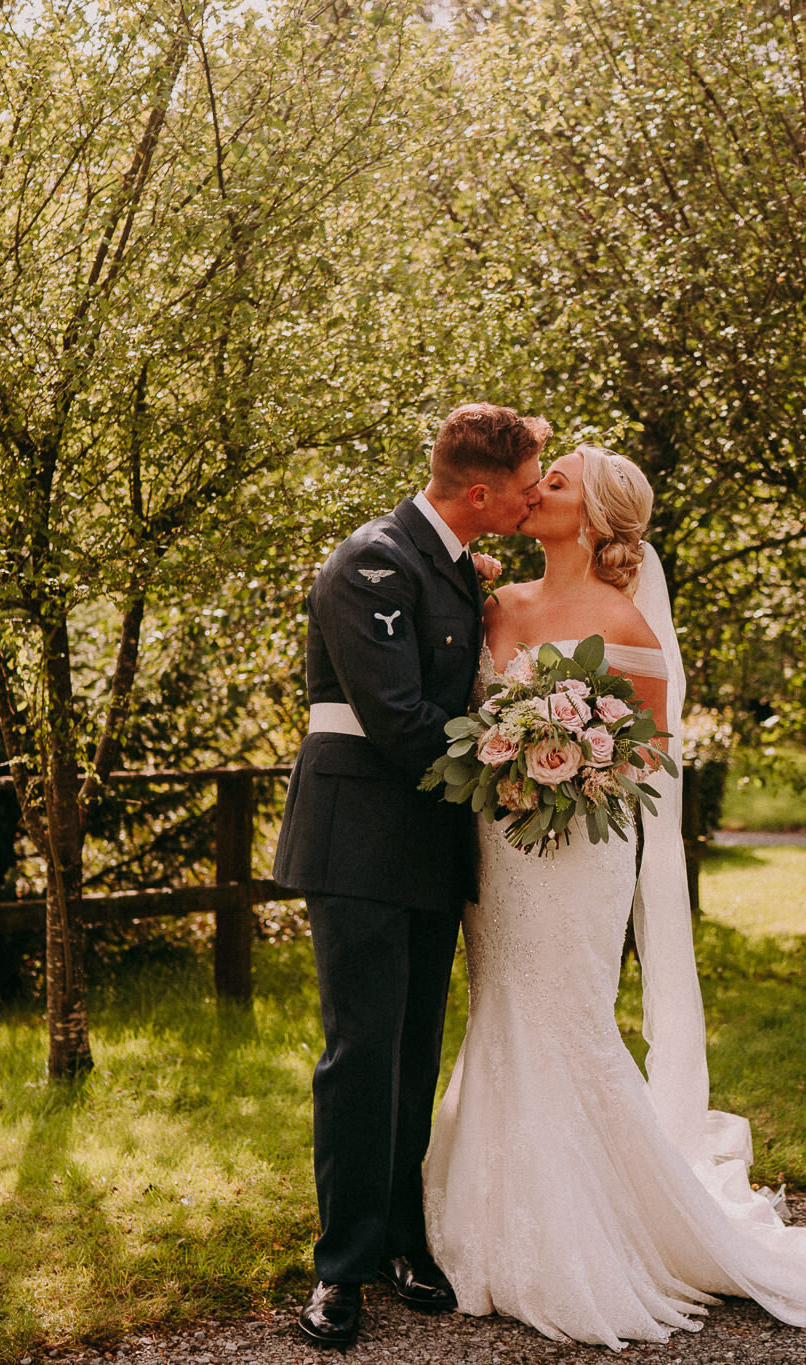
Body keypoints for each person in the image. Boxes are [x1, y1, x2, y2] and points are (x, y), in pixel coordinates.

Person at [422, 445, 806, 1346]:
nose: (535, 490)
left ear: (595, 519)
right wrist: (512, 755)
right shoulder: (497, 605)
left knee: (568, 1019)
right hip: (499, 854)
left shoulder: (621, 619)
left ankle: (593, 1236)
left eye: (554, 482)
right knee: (501, 1012)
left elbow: (643, 755)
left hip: (575, 852)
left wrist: (556, 765)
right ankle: (488, 1216)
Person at [272, 402, 550, 1349]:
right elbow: (393, 717)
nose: (528, 503)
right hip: (358, 836)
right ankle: (339, 1270)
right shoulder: (372, 562)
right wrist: (518, 764)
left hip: (430, 838)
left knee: (414, 1050)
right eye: (520, 490)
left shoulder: (452, 566)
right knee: (360, 1053)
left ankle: (401, 1238)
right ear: (479, 492)